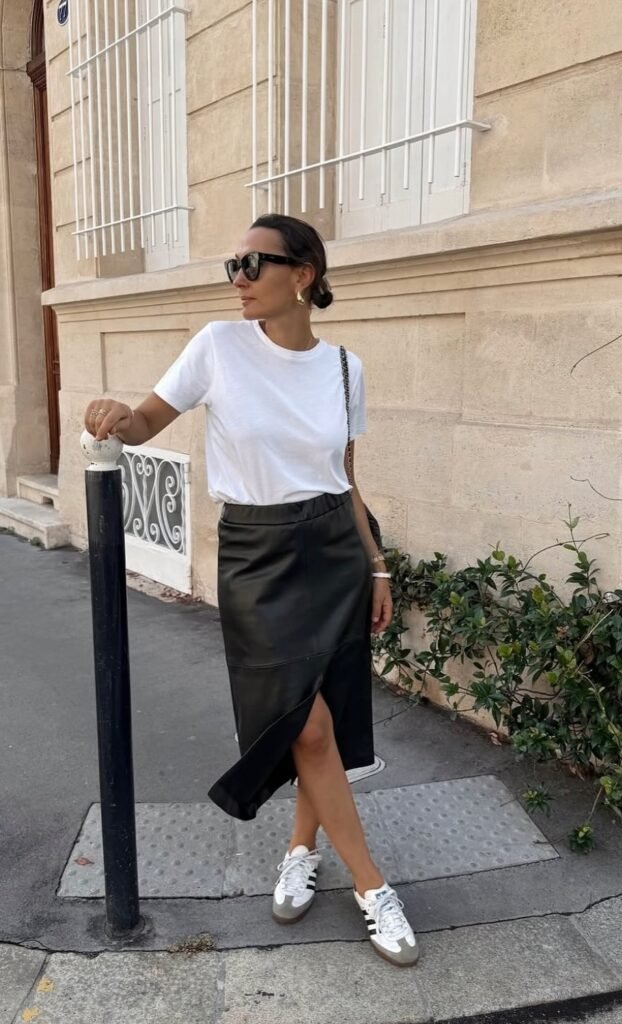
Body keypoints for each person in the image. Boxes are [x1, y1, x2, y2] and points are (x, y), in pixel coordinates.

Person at [83, 214, 419, 967]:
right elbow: (143, 421)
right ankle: (372, 885)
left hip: (335, 546)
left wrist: (376, 565)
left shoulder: (343, 369)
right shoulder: (217, 345)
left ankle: (301, 850)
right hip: (256, 556)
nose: (236, 276)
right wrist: (113, 417)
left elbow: (347, 475)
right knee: (301, 722)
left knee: (320, 718)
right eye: (232, 263)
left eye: (252, 263)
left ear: (301, 274)